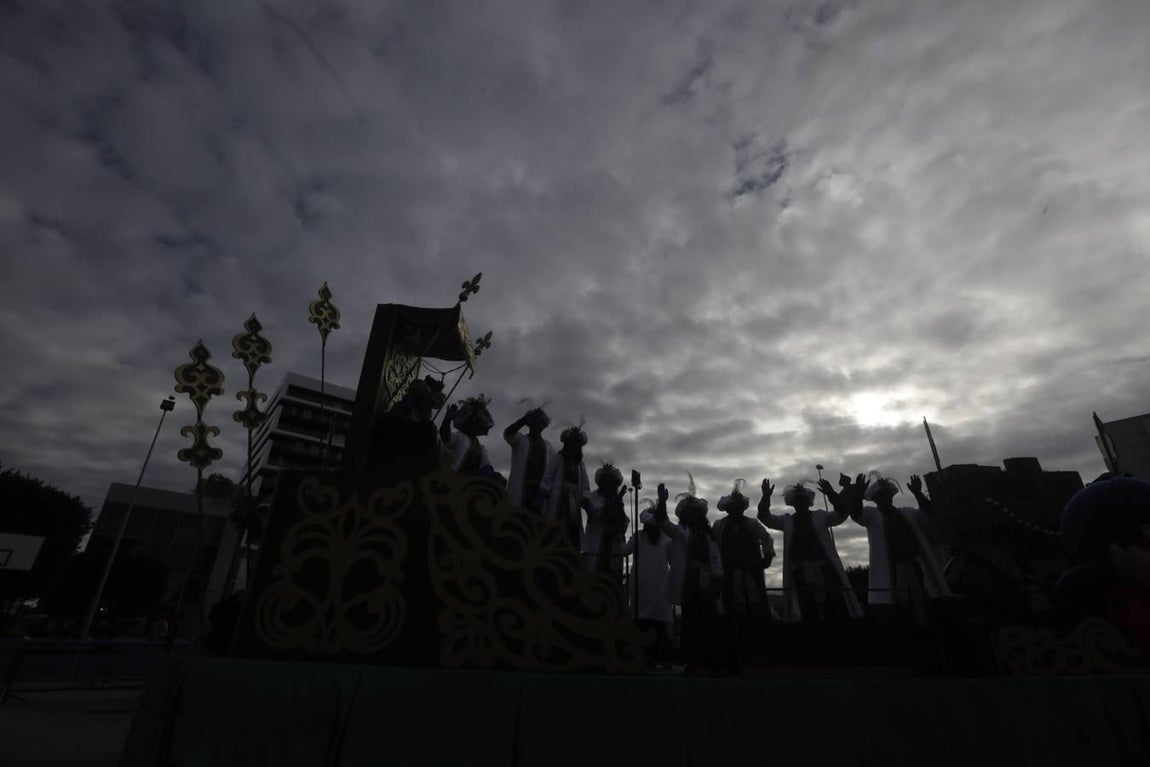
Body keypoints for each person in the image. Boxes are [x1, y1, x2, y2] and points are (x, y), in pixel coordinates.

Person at [757, 475, 864, 623]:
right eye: (797, 500)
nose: (801, 502)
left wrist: (831, 494)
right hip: (800, 572)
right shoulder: (787, 521)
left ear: (809, 502)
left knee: (834, 607)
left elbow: (841, 514)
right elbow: (764, 517)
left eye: (803, 499)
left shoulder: (821, 516)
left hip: (825, 570)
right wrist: (765, 497)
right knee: (807, 609)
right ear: (793, 504)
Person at [851, 473, 951, 628]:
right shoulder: (871, 515)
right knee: (897, 612)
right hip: (890, 572)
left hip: (915, 569)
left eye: (886, 494)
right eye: (880, 495)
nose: (884, 498)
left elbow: (928, 515)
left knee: (922, 608)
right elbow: (856, 514)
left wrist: (918, 493)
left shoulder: (908, 512)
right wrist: (858, 493)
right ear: (875, 499)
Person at [653, 480, 723, 673]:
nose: (693, 516)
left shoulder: (708, 537)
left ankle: (709, 658)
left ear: (701, 516)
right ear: (684, 516)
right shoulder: (680, 532)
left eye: (696, 513)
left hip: (707, 584)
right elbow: (663, 522)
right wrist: (662, 502)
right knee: (691, 622)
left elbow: (716, 560)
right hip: (689, 583)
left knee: (708, 620)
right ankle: (692, 659)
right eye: (689, 513)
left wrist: (718, 579)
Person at [713, 479, 776, 672]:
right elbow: (712, 547)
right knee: (731, 609)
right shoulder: (719, 525)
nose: (736, 509)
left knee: (756, 604)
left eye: (738, 506)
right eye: (733, 507)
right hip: (729, 574)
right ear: (728, 509)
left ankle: (759, 646)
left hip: (751, 572)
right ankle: (732, 650)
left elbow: (766, 538)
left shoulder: (752, 523)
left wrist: (767, 556)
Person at [621, 500, 675, 667]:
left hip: (660, 588)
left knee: (659, 622)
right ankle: (643, 656)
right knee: (642, 620)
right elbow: (623, 550)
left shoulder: (667, 540)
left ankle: (663, 657)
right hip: (641, 586)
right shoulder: (638, 537)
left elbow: (674, 561)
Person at [539, 423, 591, 551]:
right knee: (556, 526)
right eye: (572, 443)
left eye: (577, 444)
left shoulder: (580, 464)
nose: (574, 446)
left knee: (572, 527)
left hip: (574, 500)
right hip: (558, 499)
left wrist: (585, 497)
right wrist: (545, 490)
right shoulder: (557, 458)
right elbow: (548, 476)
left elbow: (585, 484)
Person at [582, 463, 630, 581]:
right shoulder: (593, 497)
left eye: (610, 480)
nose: (608, 483)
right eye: (605, 480)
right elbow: (597, 513)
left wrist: (621, 522)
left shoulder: (618, 501)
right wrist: (616, 502)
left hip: (613, 546)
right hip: (596, 545)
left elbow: (623, 522)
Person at [503, 407, 555, 514]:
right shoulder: (519, 440)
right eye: (535, 423)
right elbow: (508, 433)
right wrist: (522, 420)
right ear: (530, 424)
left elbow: (551, 472)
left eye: (541, 424)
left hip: (539, 491)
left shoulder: (548, 447)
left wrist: (546, 492)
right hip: (521, 487)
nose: (538, 426)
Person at [440, 394, 496, 476]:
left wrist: (487, 469)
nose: (474, 424)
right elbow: (446, 438)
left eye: (477, 422)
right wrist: (447, 421)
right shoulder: (459, 437)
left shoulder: (481, 448)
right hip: (453, 477)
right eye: (472, 421)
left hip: (472, 482)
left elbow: (485, 462)